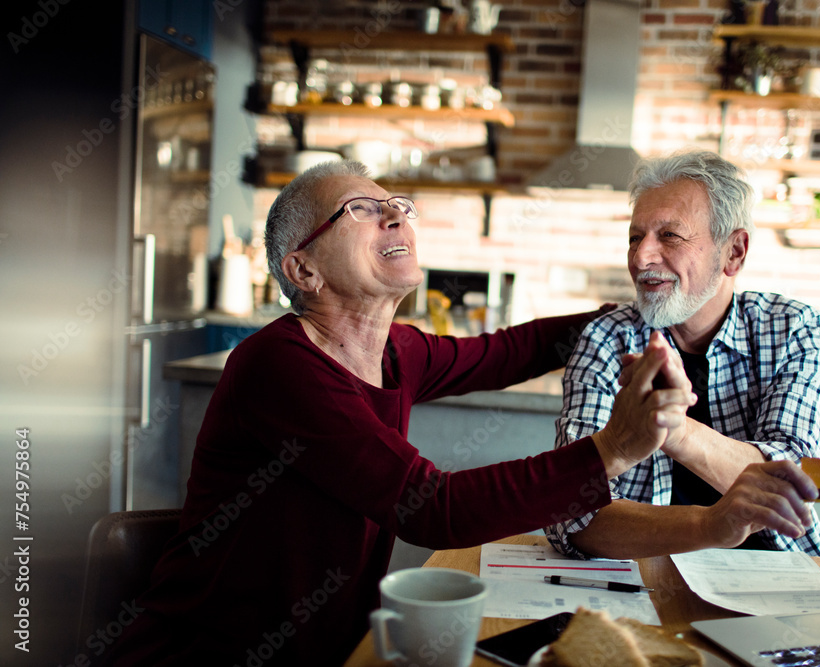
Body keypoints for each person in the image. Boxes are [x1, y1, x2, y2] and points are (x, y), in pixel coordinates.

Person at [106, 161, 688, 666]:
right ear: (303, 270)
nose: (394, 217)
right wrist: (610, 449)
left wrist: (635, 314)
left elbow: (508, 351)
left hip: (334, 652)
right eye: (360, 209)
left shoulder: (396, 351)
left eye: (397, 207)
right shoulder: (278, 365)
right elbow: (433, 508)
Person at [544, 150, 820, 560]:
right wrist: (709, 526)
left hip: (775, 578)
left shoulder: (793, 329)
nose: (641, 257)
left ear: (734, 252)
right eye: (635, 237)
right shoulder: (608, 340)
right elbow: (570, 516)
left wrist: (674, 430)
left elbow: (794, 485)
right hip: (642, 581)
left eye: (669, 235)